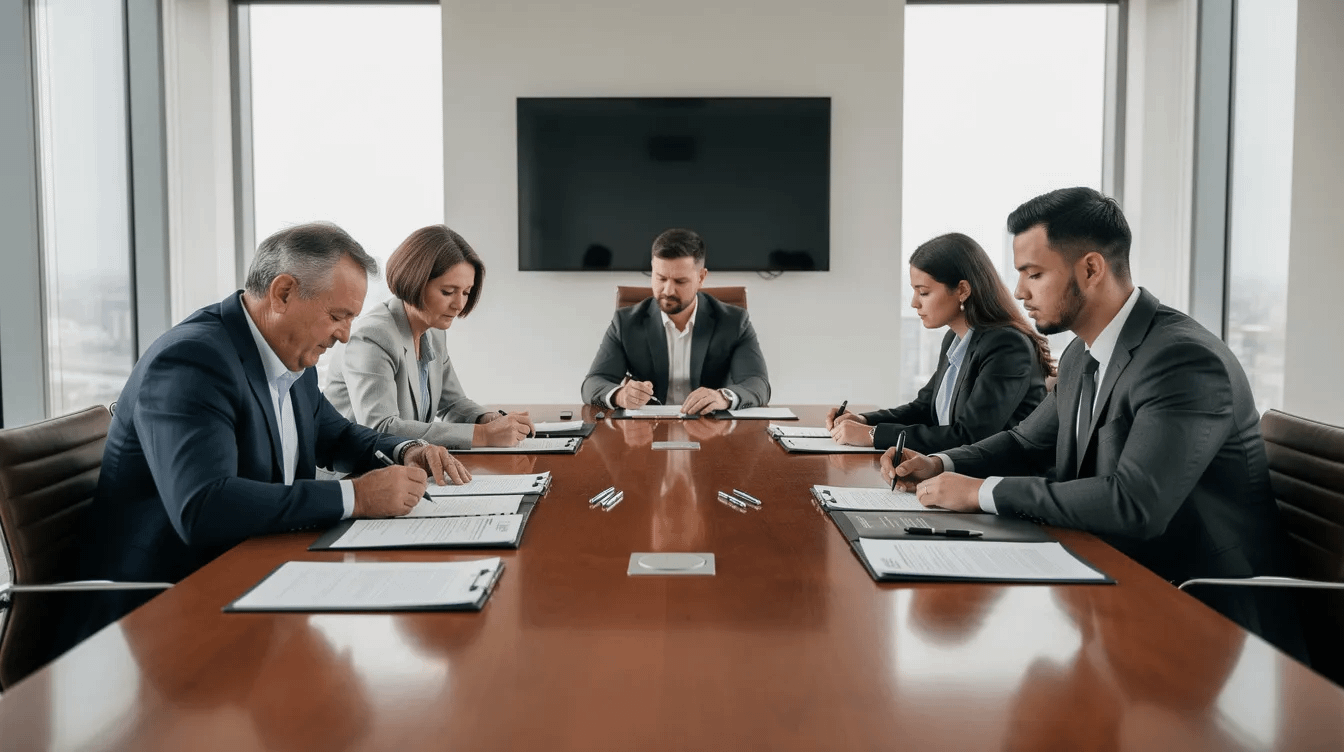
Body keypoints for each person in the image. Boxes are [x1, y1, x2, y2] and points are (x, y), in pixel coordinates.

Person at [882, 187, 1302, 654]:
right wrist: (942, 463)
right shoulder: (1084, 352)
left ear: (1091, 269)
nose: (1019, 292)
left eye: (1034, 274)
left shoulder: (1182, 359)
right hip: (1114, 578)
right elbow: (1025, 443)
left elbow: (1135, 503)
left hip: (1203, 615)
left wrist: (980, 492)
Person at [80, 222, 471, 594]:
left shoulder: (290, 358)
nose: (345, 335)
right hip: (172, 600)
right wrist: (357, 497)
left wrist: (407, 450)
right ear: (283, 293)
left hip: (262, 568)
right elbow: (203, 506)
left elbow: (337, 435)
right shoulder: (192, 362)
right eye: (337, 316)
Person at [827, 232, 1052, 452]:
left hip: (997, 479)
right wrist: (863, 420)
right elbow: (924, 408)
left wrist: (873, 435)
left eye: (923, 292)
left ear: (962, 290)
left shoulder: (1006, 346)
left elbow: (971, 436)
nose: (914, 303)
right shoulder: (955, 339)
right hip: (953, 472)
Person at [324, 224, 533, 449]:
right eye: (448, 292)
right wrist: (482, 435)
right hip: (355, 475)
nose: (459, 304)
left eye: (466, 292)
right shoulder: (372, 337)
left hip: (405, 468)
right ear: (415, 281)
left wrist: (489, 420)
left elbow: (452, 404)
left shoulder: (434, 332)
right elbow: (380, 428)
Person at [581, 228, 770, 414]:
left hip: (711, 428)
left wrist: (722, 398)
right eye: (661, 278)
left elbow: (757, 384)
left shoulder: (734, 322)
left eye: (680, 281)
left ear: (701, 277)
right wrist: (621, 396)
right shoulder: (625, 322)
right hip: (647, 431)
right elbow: (593, 383)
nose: (668, 290)